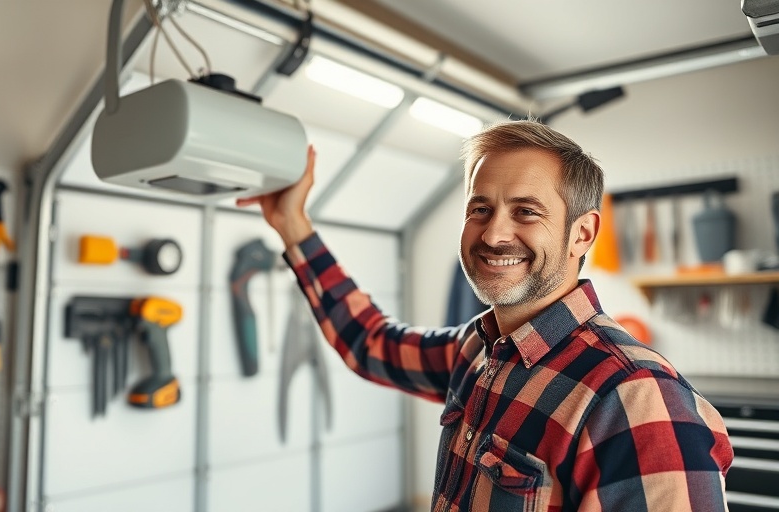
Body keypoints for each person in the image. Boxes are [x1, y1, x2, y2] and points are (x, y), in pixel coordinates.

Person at [237, 120, 733, 511]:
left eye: (526, 212)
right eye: (479, 209)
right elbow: (370, 343)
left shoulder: (636, 399)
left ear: (582, 234)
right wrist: (292, 224)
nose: (494, 235)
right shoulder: (478, 351)